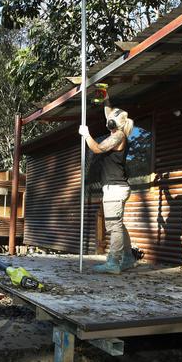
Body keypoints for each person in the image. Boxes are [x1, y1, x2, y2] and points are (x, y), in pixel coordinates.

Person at [79, 95, 136, 274]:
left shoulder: (118, 136)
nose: (107, 122)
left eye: (110, 121)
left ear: (115, 124)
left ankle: (113, 262)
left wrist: (86, 135)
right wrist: (106, 99)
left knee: (113, 226)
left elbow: (97, 148)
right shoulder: (118, 132)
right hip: (116, 187)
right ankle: (127, 258)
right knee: (118, 224)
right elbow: (108, 114)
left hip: (115, 188)